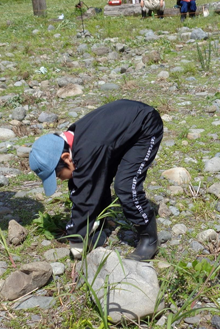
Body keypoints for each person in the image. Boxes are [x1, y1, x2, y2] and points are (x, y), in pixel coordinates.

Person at [29, 100, 163, 261]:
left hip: (145, 126)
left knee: (126, 187)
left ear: (66, 158)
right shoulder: (74, 144)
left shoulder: (88, 149)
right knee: (100, 178)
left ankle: (149, 238)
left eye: (58, 175)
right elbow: (85, 185)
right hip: (122, 128)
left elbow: (85, 193)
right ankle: (100, 222)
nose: (60, 179)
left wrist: (76, 236)